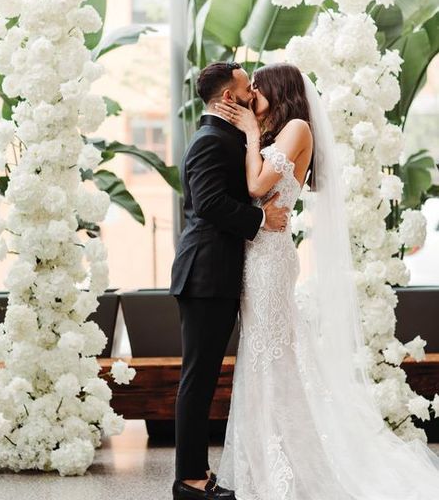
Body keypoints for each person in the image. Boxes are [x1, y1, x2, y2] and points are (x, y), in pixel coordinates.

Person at [213, 62, 439, 499]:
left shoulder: (297, 127)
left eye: (258, 88)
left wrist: (249, 133)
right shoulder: (278, 132)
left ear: (279, 90)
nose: (252, 96)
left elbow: (258, 186)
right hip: (257, 254)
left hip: (271, 260)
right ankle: (265, 455)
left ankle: (296, 459)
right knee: (263, 354)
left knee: (275, 354)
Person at [169, 62, 290, 500]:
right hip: (204, 274)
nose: (252, 92)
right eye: (246, 88)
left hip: (217, 274)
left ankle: (196, 472)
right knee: (198, 378)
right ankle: (190, 480)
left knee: (203, 378)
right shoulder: (209, 140)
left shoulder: (228, 138)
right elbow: (209, 204)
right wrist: (260, 218)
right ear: (228, 98)